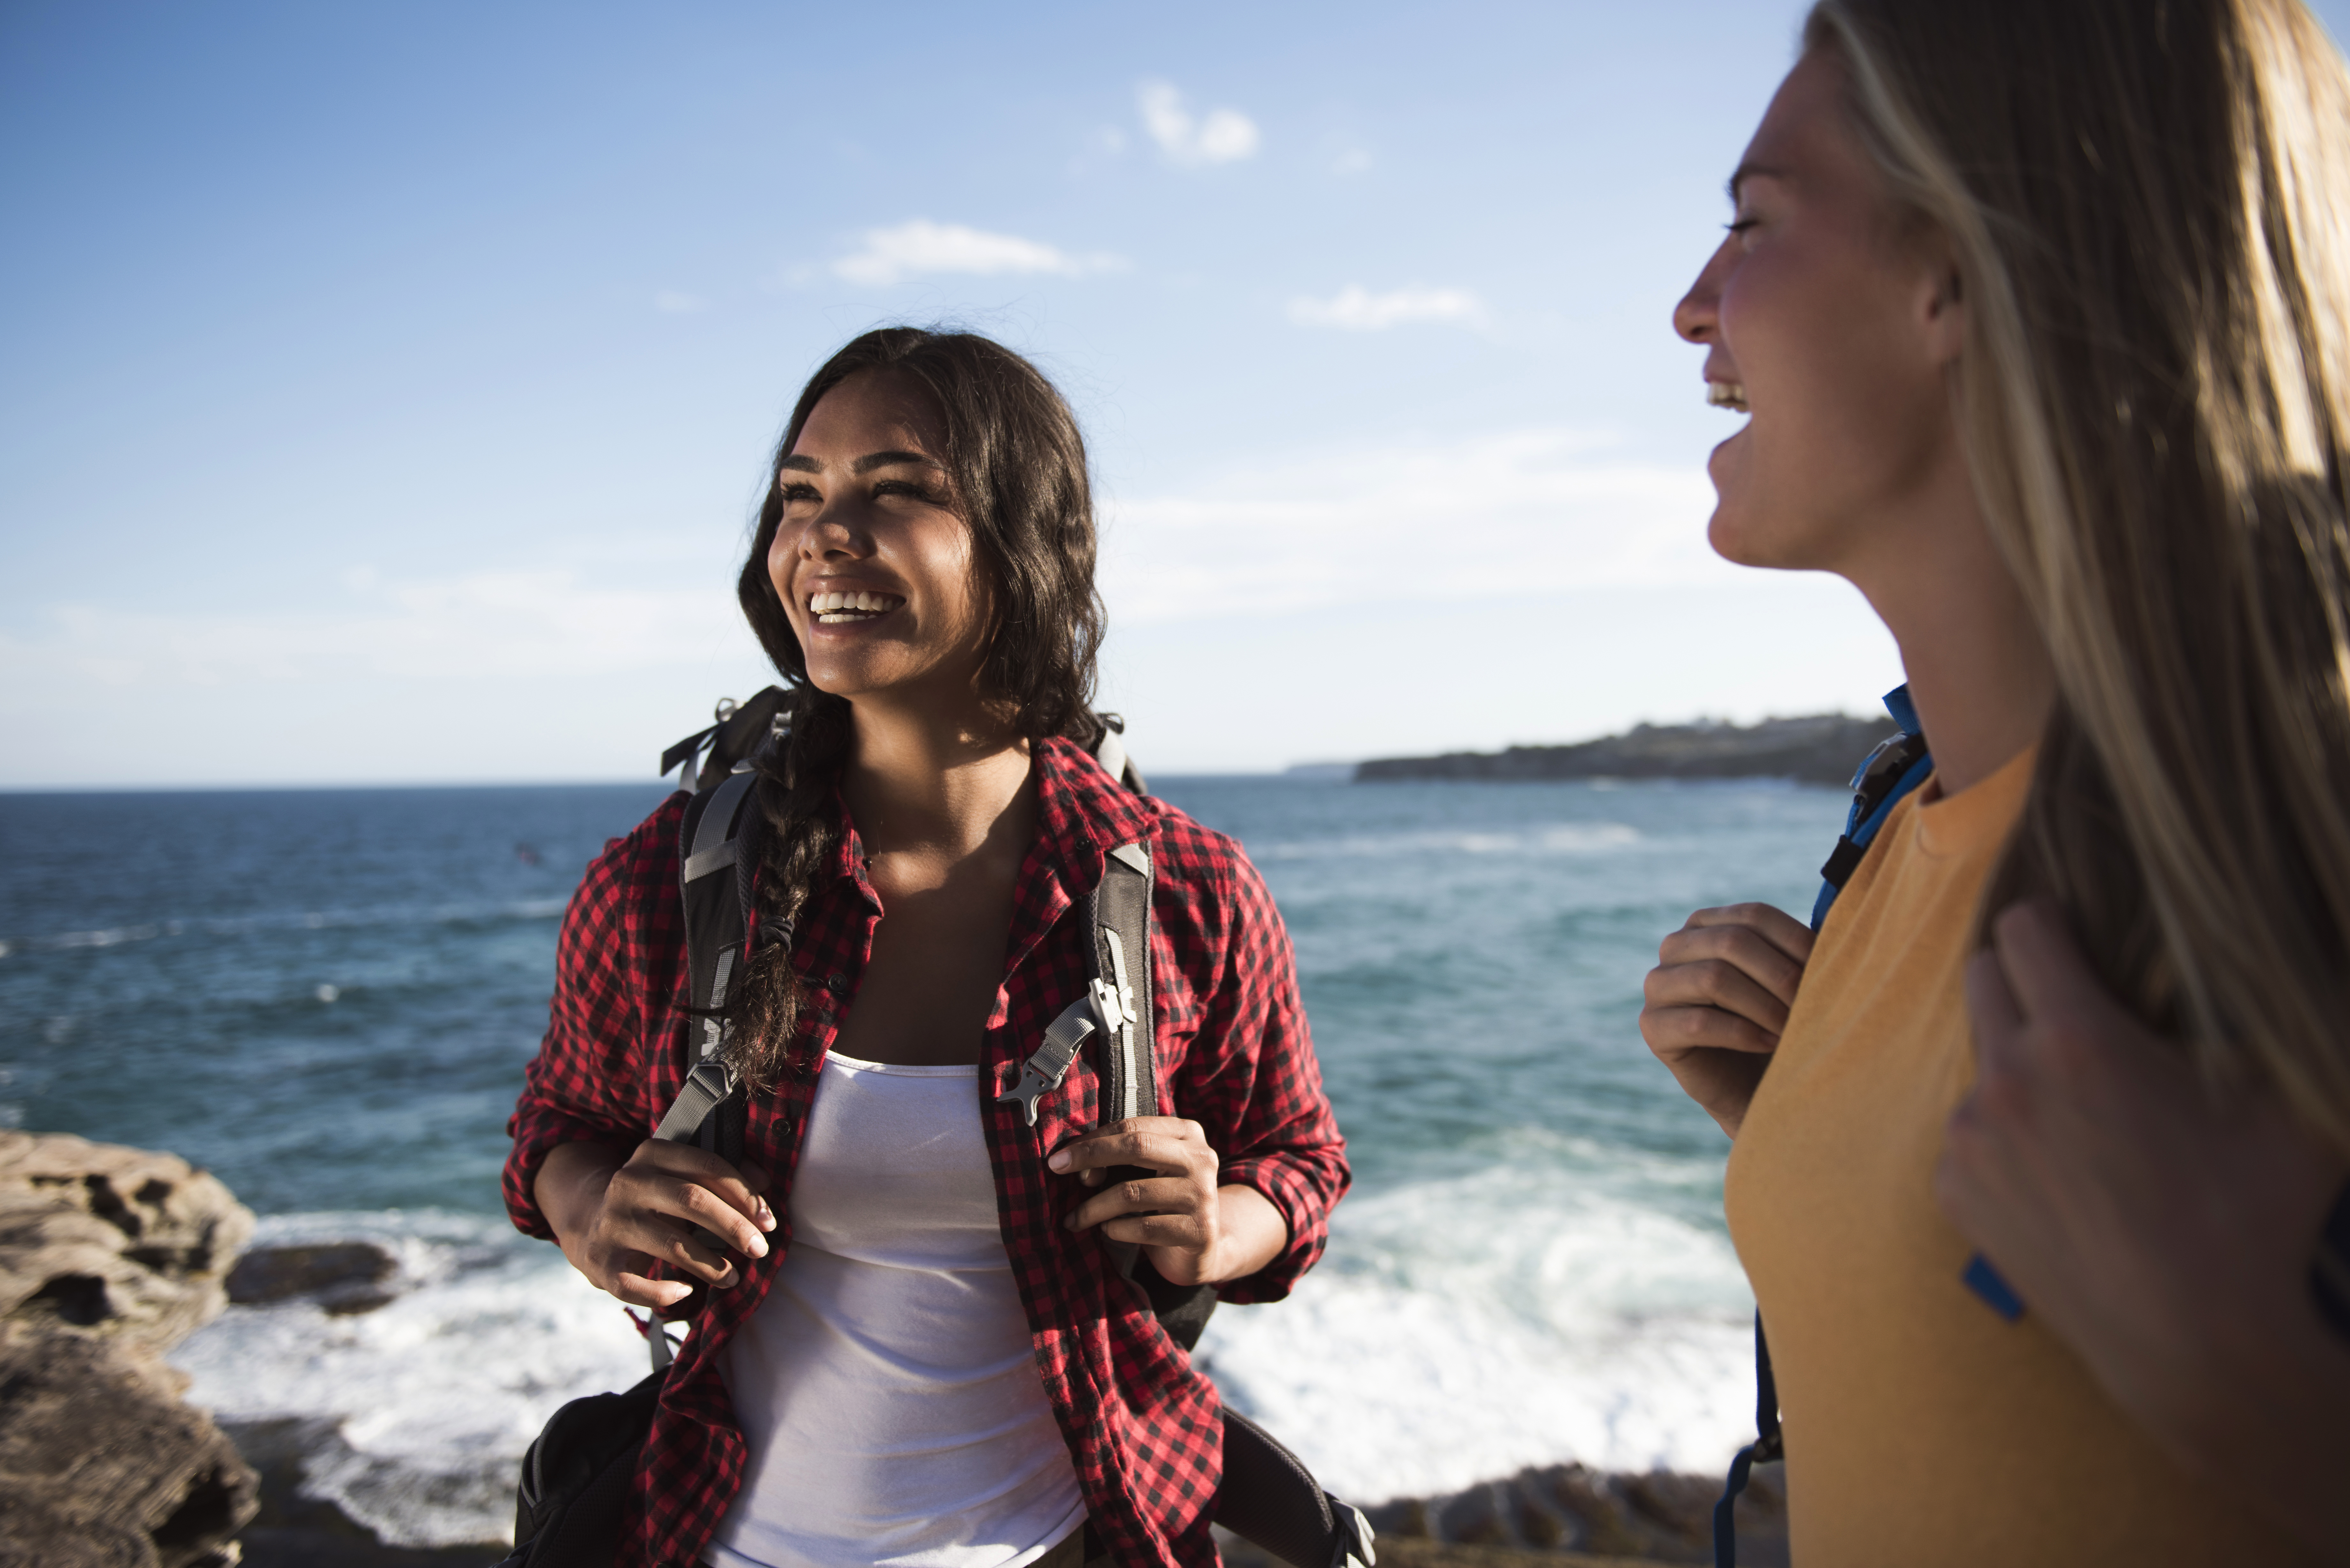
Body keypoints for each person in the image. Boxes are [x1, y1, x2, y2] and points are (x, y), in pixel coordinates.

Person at [1641, 2, 2350, 1563]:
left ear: (1958, 267)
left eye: (1751, 225)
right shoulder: (1898, 818)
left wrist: (2288, 1405)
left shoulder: (2306, 851)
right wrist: (1807, 1120)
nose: (1693, 310)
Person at [502, 327, 1350, 1568]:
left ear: (1027, 541)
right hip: (714, 1537)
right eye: (802, 494)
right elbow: (553, 1135)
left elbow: (1301, 1164)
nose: (827, 533)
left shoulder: (1189, 890)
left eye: (895, 489)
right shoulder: (664, 885)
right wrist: (595, 1212)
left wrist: (1217, 1227)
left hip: (1088, 1534)